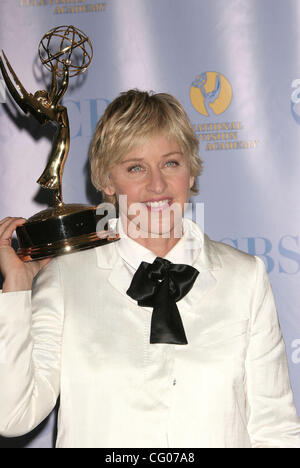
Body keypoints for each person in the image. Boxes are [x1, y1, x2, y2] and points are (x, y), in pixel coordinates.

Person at [0, 90, 299, 448]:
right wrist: (16, 290)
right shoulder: (65, 278)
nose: (157, 185)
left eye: (171, 163)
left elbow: (275, 430)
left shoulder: (245, 277)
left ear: (190, 172)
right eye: (136, 167)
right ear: (108, 182)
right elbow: (12, 416)